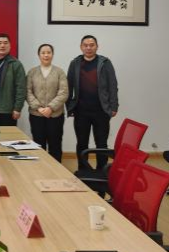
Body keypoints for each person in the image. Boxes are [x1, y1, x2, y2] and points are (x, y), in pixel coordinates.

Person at [67, 35, 119, 171]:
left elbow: (113, 85)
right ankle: (83, 170)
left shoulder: (105, 63)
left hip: (101, 111)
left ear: (97, 46)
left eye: (92, 45)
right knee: (81, 143)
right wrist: (69, 106)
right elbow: (68, 86)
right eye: (85, 45)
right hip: (81, 111)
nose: (88, 48)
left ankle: (102, 171)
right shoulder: (75, 63)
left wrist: (114, 106)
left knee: (101, 143)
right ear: (81, 47)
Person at [26, 44, 69, 162]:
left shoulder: (59, 72)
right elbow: (28, 91)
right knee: (38, 144)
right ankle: (40, 169)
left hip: (55, 115)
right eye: (43, 53)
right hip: (36, 115)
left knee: (55, 144)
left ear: (52, 54)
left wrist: (50, 108)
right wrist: (38, 108)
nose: (46, 55)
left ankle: (56, 169)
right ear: (39, 55)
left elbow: (64, 92)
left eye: (49, 52)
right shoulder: (32, 72)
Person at [0, 33, 26, 126]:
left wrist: (17, 108)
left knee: (6, 134)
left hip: (7, 110)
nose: (2, 45)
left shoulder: (16, 64)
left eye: (5, 43)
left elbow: (21, 88)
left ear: (10, 45)